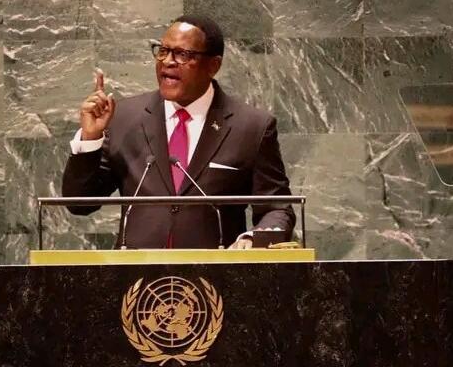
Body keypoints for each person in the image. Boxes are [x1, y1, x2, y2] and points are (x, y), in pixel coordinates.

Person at [62, 15, 295, 249]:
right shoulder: (124, 118)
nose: (168, 62)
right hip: (137, 279)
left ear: (213, 65)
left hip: (216, 278)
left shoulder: (251, 127)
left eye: (183, 54)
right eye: (163, 51)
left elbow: (277, 208)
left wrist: (252, 239)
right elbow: (80, 204)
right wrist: (90, 138)